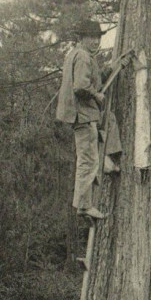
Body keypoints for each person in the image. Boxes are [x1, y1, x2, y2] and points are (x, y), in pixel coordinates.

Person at [56, 19, 123, 220]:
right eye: (91, 37)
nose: (95, 41)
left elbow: (93, 79)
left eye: (97, 37)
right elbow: (81, 87)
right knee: (87, 161)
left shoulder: (79, 55)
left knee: (108, 119)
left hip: (85, 114)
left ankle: (108, 160)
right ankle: (84, 205)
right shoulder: (84, 57)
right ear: (82, 38)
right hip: (82, 115)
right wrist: (97, 95)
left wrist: (112, 68)